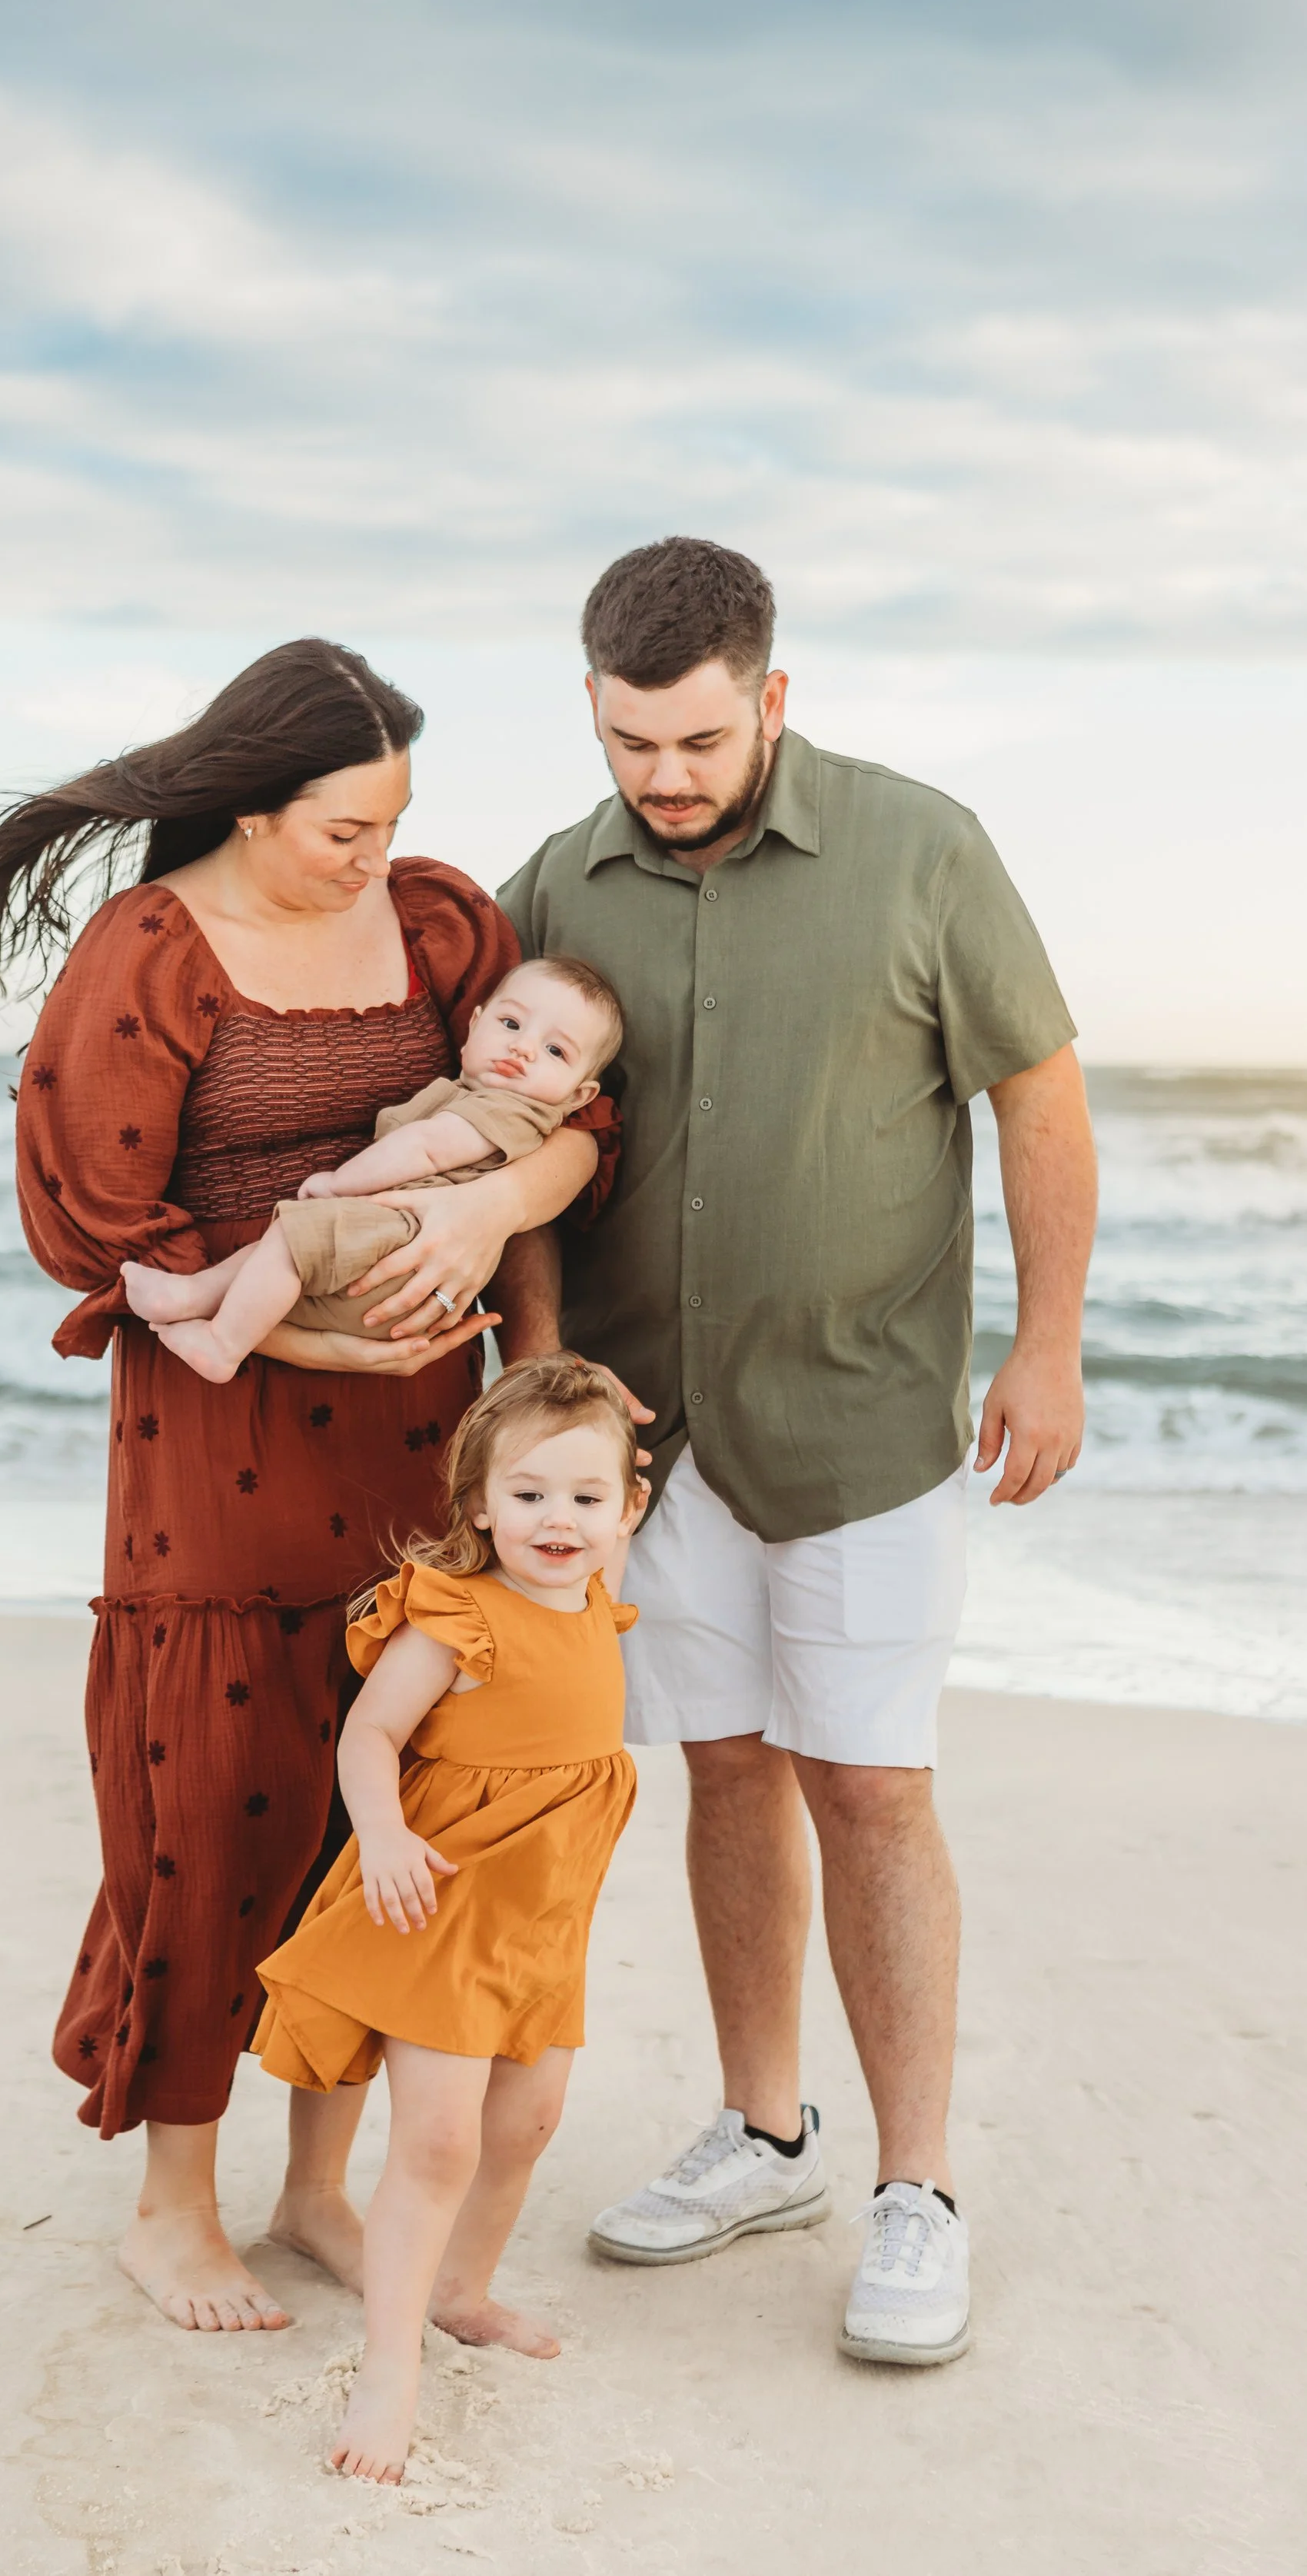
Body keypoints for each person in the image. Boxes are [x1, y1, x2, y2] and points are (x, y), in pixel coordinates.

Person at [0, 637, 614, 2335]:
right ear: (254, 806)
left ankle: (311, 2194)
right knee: (209, 1802)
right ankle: (173, 2204)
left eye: (389, 823)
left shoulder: (437, 925)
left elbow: (577, 1118)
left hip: (421, 1450)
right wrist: (316, 1345)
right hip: (213, 1443)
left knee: (383, 1816)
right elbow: (102, 1242)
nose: (377, 856)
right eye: (344, 829)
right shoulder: (145, 958)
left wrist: (496, 1222)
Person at [494, 538, 1098, 2367]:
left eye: (692, 740)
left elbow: (1038, 1100)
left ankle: (915, 2188)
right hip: (647, 1447)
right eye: (626, 742)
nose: (660, 779)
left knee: (871, 1787)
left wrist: (1051, 1342)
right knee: (729, 1774)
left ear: (772, 697)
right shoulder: (553, 879)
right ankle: (767, 2134)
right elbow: (510, 1127)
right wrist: (535, 1366)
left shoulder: (924, 847)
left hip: (864, 1430)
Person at [253, 1354, 647, 2483]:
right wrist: (378, 1834)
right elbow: (368, 1737)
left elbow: (602, 1483)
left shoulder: (597, 1590)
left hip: (546, 1913)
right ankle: (389, 2363)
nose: (557, 1520)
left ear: (627, 1512)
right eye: (527, 1495)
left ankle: (462, 2290)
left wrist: (605, 1459)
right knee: (438, 2137)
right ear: (478, 1504)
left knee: (526, 2123)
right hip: (443, 1900)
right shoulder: (458, 1614)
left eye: (585, 1498)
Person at [121, 957, 623, 1379]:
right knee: (277, 1249)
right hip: (392, 1269)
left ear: (579, 1096)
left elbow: (427, 1147)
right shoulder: (476, 1094)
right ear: (473, 1029)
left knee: (293, 1239)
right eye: (511, 1024)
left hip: (402, 1249)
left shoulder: (513, 1112)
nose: (524, 1047)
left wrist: (340, 1182)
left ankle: (222, 1345)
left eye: (556, 1051)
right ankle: (192, 1296)